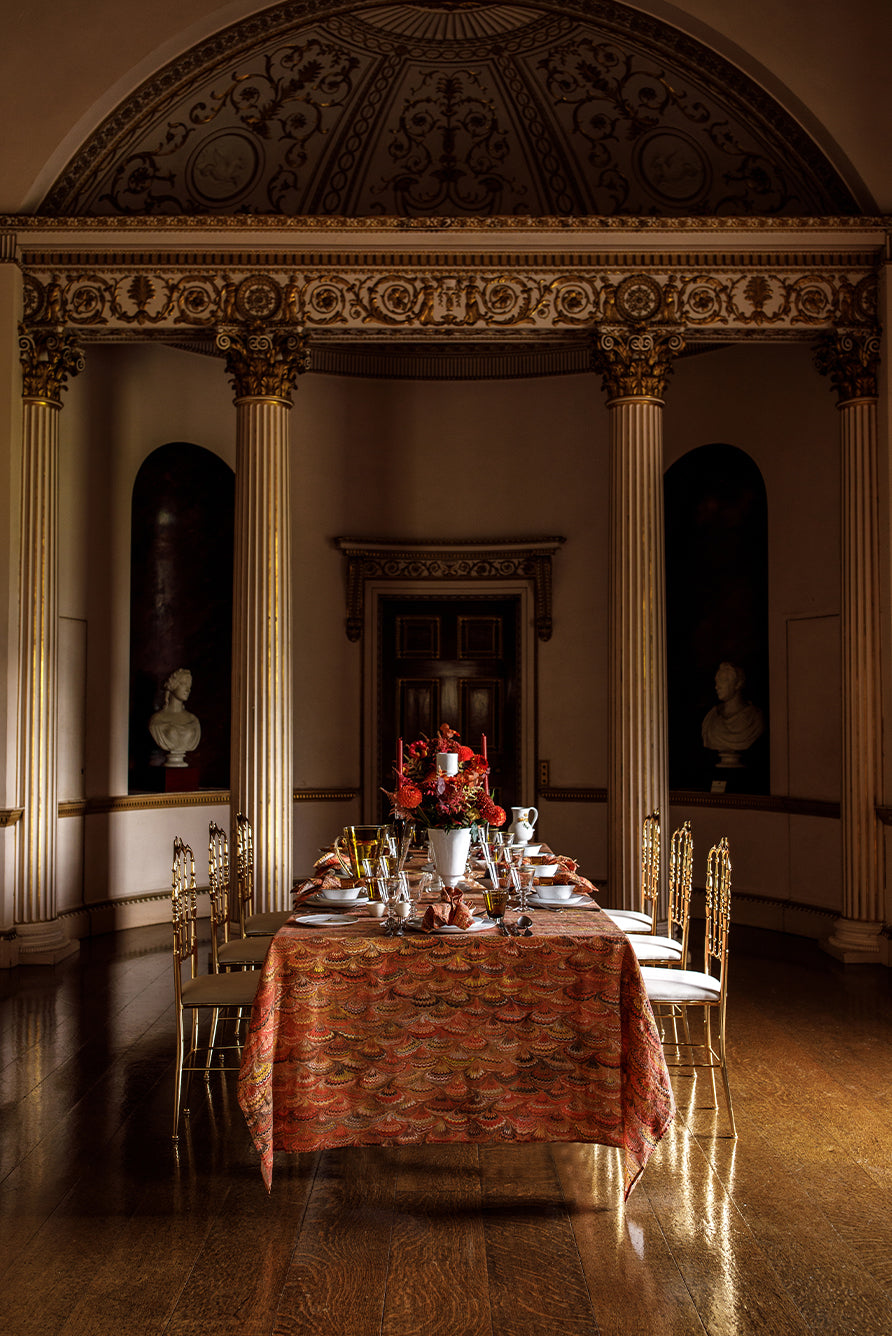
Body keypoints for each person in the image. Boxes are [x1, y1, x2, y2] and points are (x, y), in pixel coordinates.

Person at [701, 662, 764, 767]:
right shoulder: (711, 717)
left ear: (738, 684)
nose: (717, 687)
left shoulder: (755, 719)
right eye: (716, 682)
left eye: (722, 681)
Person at [149, 668, 201, 767]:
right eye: (183, 684)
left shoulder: (193, 720)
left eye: (189, 685)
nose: (188, 689)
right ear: (173, 685)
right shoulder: (156, 720)